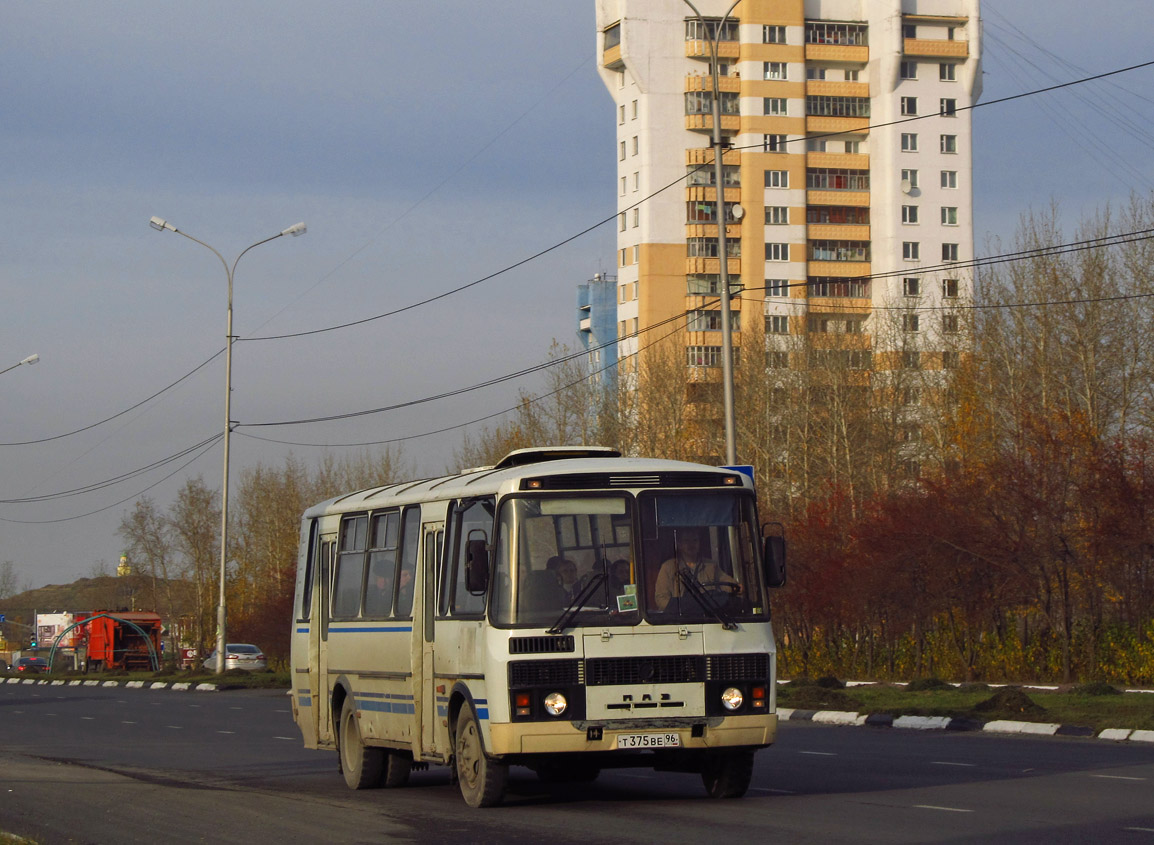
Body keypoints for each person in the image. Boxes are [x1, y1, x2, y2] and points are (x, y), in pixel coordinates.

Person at [653, 529, 737, 611]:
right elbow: (661, 599)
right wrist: (682, 608)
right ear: (679, 544)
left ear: (699, 543)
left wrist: (737, 587)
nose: (691, 544)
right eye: (686, 541)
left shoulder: (711, 566)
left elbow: (729, 584)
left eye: (695, 540)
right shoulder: (668, 567)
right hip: (680, 620)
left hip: (709, 617)